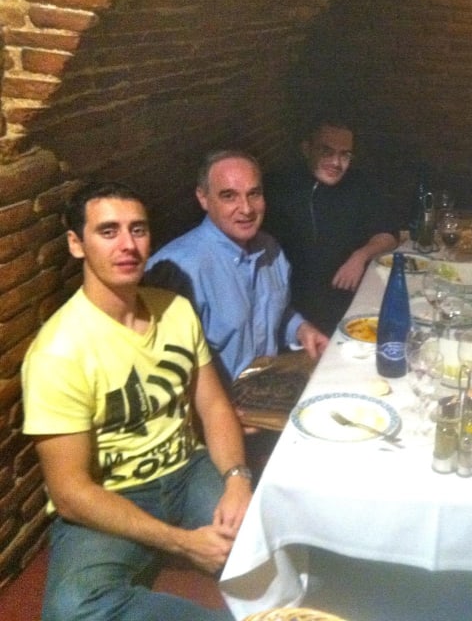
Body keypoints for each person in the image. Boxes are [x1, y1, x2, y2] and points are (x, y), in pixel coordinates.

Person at [21, 181, 252, 621]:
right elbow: (70, 493)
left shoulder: (175, 310)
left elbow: (214, 407)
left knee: (271, 545)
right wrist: (181, 542)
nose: (128, 245)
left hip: (188, 469)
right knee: (73, 611)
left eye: (138, 230)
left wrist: (238, 479)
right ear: (77, 244)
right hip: (113, 493)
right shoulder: (59, 351)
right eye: (108, 232)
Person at [144, 150, 329, 385]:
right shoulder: (178, 269)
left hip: (266, 390)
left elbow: (274, 314)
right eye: (229, 196)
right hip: (218, 411)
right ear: (203, 198)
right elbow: (160, 372)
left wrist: (301, 329)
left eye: (254, 194)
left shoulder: (270, 248)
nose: (247, 209)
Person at [265, 114, 398, 334]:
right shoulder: (279, 188)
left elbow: (389, 234)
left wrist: (360, 255)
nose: (337, 163)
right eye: (327, 152)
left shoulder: (359, 185)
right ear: (307, 149)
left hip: (350, 299)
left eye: (344, 154)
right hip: (296, 311)